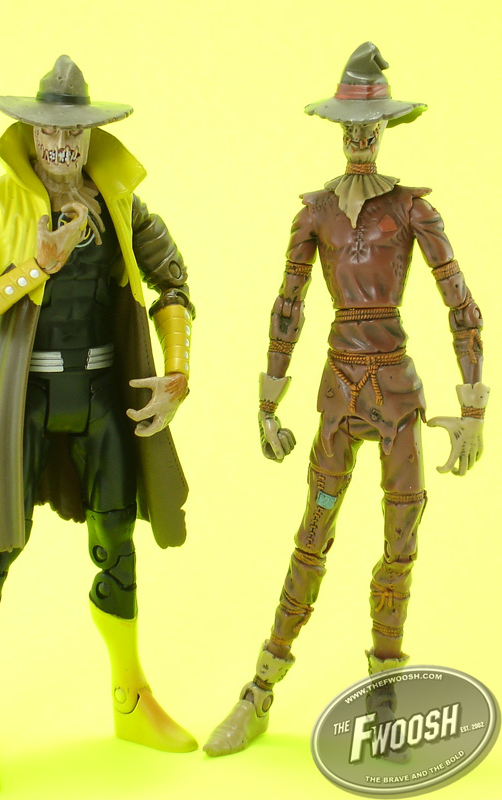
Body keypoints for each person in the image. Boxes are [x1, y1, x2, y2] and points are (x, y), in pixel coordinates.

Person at [204, 42, 488, 757]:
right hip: (338, 395)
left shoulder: (412, 210)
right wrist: (268, 401)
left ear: (384, 128)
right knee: (313, 534)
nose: (361, 138)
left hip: (395, 397)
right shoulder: (316, 214)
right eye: (351, 127)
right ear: (338, 129)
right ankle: (260, 688)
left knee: (401, 543)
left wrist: (473, 408)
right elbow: (288, 306)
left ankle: (385, 697)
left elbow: (461, 303)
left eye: (371, 127)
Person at [0, 55, 196, 794]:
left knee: (119, 546)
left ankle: (130, 700)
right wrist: (33, 270)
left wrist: (176, 372)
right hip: (28, 400)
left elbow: (173, 282)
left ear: (90, 134)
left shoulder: (120, 204)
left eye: (74, 131)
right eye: (49, 129)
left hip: (106, 394)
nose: (61, 143)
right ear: (29, 132)